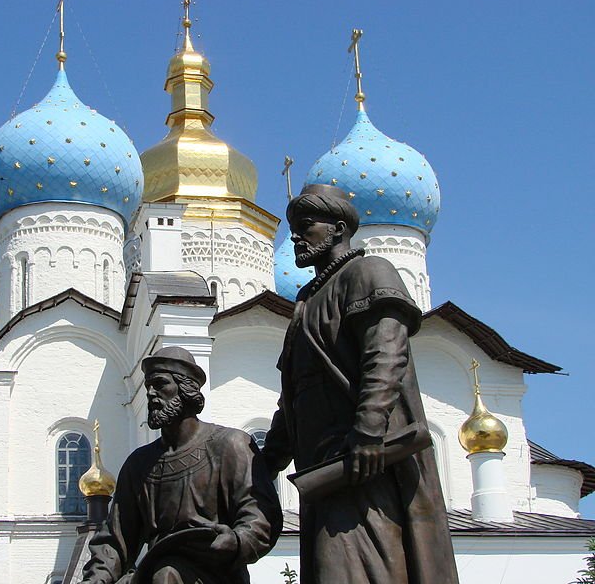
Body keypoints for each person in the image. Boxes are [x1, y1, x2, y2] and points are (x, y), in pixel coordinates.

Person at [262, 184, 459, 583]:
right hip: (322, 469)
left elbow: (386, 353)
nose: (296, 236)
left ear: (337, 229)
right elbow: (296, 394)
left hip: (363, 460)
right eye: (293, 227)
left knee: (353, 566)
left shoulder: (369, 272)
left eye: (305, 226)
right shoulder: (304, 304)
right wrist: (267, 461)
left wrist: (368, 430)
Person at [80, 346, 282, 584]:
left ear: (186, 389)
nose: (151, 394)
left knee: (166, 574)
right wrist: (97, 579)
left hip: (216, 572)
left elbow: (260, 514)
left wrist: (237, 540)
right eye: (148, 387)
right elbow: (116, 539)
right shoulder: (139, 465)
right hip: (158, 571)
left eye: (160, 384)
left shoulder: (230, 445)